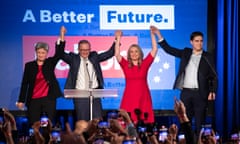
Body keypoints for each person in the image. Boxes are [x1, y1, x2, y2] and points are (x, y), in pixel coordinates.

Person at [151, 26, 218, 135]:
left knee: (199, 123)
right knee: (184, 122)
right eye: (197, 41)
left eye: (201, 41)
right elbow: (169, 50)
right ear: (191, 42)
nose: (199, 43)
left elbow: (214, 76)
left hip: (200, 94)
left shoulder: (208, 57)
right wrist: (159, 34)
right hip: (186, 93)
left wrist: (212, 91)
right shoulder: (186, 53)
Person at [60, 26, 119, 121]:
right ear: (78, 50)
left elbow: (109, 53)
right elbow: (61, 53)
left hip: (94, 94)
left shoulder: (94, 57)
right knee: (83, 122)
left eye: (87, 50)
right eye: (83, 50)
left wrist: (117, 39)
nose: (85, 52)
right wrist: (62, 35)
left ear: (90, 49)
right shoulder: (73, 59)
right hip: (80, 95)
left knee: (97, 121)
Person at [16, 27, 65, 125]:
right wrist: (21, 100)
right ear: (36, 53)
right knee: (34, 125)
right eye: (39, 52)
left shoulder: (50, 63)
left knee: (48, 125)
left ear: (46, 53)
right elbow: (25, 84)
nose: (41, 55)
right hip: (34, 99)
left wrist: (62, 35)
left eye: (43, 53)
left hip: (49, 99)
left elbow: (59, 54)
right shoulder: (29, 65)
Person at [114, 26, 158, 124]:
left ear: (140, 53)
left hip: (143, 96)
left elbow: (154, 49)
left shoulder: (145, 64)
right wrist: (118, 38)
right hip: (129, 97)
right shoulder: (125, 65)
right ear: (129, 54)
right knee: (128, 123)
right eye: (131, 52)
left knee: (144, 123)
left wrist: (152, 34)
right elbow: (117, 54)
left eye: (136, 51)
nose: (134, 54)